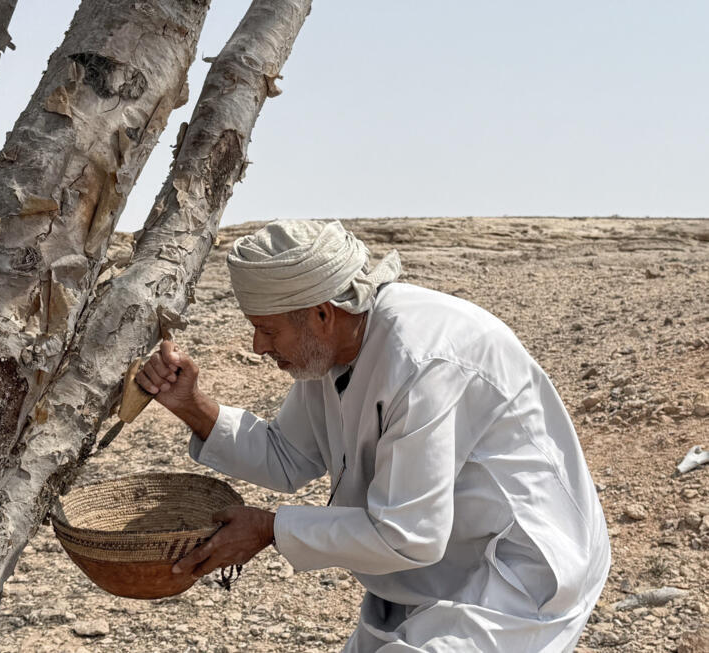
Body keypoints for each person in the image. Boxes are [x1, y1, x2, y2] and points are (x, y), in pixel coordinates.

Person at [136, 220, 610, 652]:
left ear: (322, 313)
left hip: (515, 573)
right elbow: (286, 457)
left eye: (266, 330)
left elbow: (408, 536)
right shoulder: (331, 351)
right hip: (428, 573)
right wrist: (191, 406)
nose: (258, 347)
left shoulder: (424, 362)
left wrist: (270, 529)